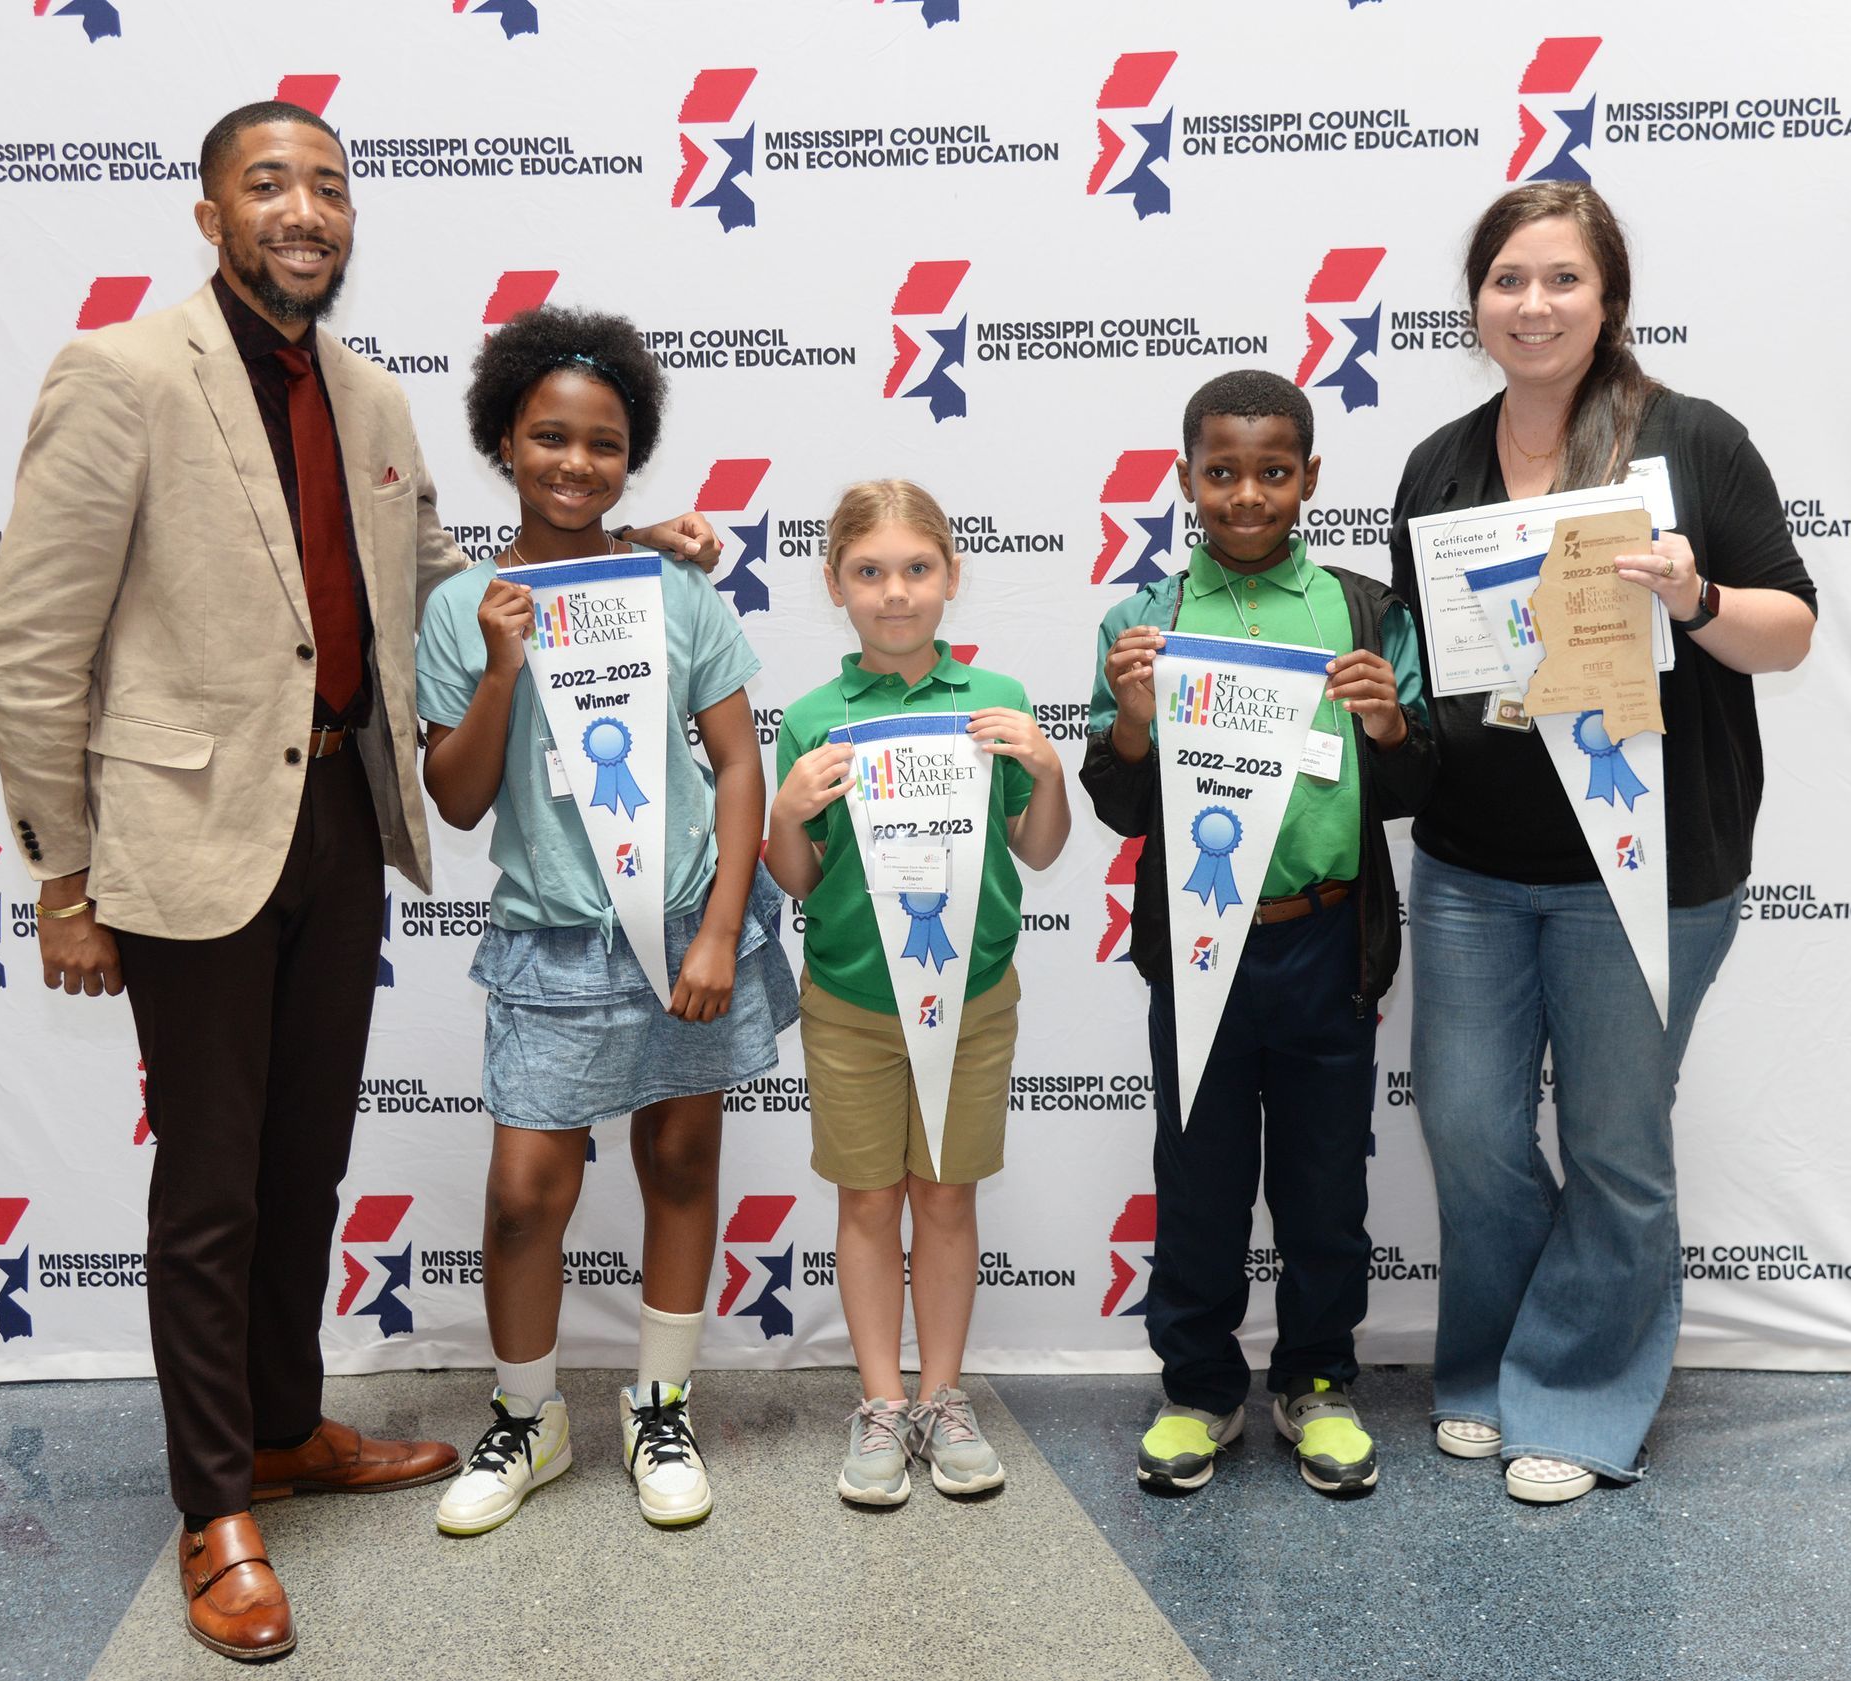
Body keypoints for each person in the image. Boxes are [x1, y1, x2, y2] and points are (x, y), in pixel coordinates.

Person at [0, 102, 720, 1661]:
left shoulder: (371, 393)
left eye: (328, 186)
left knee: (308, 1157)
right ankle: (215, 1508)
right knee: (212, 1183)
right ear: (209, 214)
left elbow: (440, 574)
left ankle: (288, 1426)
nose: (304, 210)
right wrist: (60, 875)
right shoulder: (119, 375)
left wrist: (615, 548)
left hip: (341, 823)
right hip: (180, 844)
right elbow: (34, 645)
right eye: (270, 185)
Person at [1388, 181, 1816, 1504]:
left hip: (1652, 870)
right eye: (1510, 278)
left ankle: (1574, 1398)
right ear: (1477, 302)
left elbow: (1787, 628)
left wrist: (1693, 596)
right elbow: (1428, 670)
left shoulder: (1690, 441)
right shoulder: (1440, 463)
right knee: (1468, 1128)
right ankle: (1497, 1363)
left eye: (1563, 279)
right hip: (1472, 866)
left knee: (1619, 1145)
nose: (1534, 305)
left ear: (1609, 298)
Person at [416, 305, 797, 1537]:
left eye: (604, 443)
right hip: (550, 937)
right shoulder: (465, 607)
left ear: (631, 456)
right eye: (550, 439)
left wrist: (715, 927)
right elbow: (460, 797)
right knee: (527, 1189)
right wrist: (496, 668)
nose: (576, 464)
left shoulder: (677, 591)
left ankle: (660, 1402)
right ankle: (529, 1414)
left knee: (681, 1160)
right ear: (504, 442)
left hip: (690, 918)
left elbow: (740, 766)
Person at [1082, 370, 1435, 1499]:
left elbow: (1414, 779)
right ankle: (1198, 1389)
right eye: (1222, 472)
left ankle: (1319, 1382)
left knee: (1327, 1184)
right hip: (1198, 949)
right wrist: (1135, 725)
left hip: (1324, 940)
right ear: (1187, 478)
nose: (1247, 494)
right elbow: (1114, 799)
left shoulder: (1365, 607)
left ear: (1309, 478)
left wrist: (1386, 722)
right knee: (1200, 1177)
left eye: (1272, 472)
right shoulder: (1142, 621)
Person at [768, 480, 1070, 1505]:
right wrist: (786, 811)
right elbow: (799, 879)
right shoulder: (812, 720)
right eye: (870, 573)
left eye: (916, 570)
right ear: (835, 584)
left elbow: (1038, 851)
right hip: (852, 997)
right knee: (867, 1197)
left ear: (950, 577)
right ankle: (883, 1402)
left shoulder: (999, 704)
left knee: (945, 1195)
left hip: (974, 994)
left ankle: (944, 1395)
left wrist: (1050, 772)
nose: (894, 594)